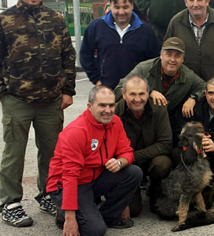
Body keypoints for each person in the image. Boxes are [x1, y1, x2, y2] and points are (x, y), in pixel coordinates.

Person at [0, 0, 76, 227]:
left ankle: (48, 193)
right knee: (14, 152)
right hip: (17, 99)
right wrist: (3, 94)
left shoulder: (56, 19)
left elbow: (68, 56)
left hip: (51, 101)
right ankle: (10, 202)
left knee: (52, 152)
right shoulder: (5, 21)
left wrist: (68, 91)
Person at [47, 86, 143, 235]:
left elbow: (127, 151)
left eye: (111, 105)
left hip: (94, 178)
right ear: (90, 107)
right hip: (68, 185)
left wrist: (120, 162)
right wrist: (70, 217)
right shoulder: (76, 132)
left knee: (133, 172)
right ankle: (64, 213)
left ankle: (107, 216)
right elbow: (70, 176)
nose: (108, 110)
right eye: (102, 105)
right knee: (95, 231)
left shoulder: (115, 122)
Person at [114, 37, 206, 145]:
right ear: (161, 55)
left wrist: (193, 98)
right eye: (169, 54)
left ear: (182, 59)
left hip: (165, 125)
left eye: (177, 55)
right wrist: (149, 92)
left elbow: (205, 87)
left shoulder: (188, 76)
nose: (172, 59)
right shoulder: (143, 69)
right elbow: (118, 90)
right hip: (137, 120)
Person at [80, 0, 160, 89]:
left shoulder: (145, 30)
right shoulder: (97, 27)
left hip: (135, 91)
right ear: (110, 6)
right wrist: (96, 80)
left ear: (132, 5)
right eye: (117, 7)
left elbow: (153, 62)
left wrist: (147, 86)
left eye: (125, 7)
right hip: (106, 89)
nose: (121, 12)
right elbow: (85, 54)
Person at [116, 75, 172, 216]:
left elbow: (166, 144)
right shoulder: (115, 113)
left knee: (163, 163)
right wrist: (126, 161)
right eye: (132, 94)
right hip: (127, 166)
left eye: (142, 93)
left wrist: (133, 156)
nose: (137, 99)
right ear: (123, 94)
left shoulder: (159, 109)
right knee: (133, 211)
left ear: (148, 93)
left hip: (149, 159)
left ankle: (155, 192)